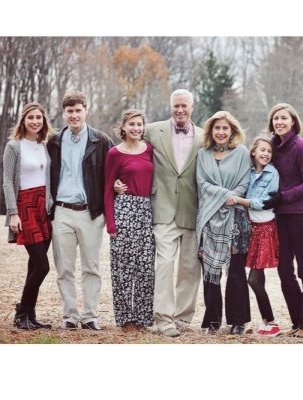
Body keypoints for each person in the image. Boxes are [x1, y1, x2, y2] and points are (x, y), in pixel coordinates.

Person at [115, 89, 203, 337]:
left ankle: (183, 318)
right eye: (176, 106)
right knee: (164, 265)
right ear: (170, 106)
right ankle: (163, 318)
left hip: (192, 210)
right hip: (162, 209)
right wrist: (116, 181)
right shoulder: (152, 130)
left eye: (184, 106)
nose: (180, 110)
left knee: (189, 267)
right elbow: (125, 150)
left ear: (192, 107)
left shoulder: (204, 136)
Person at [47, 91, 113, 330]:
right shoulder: (54, 141)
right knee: (64, 268)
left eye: (78, 110)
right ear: (64, 113)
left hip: (91, 213)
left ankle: (90, 315)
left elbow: (116, 168)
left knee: (91, 267)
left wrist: (116, 188)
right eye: (69, 111)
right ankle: (70, 316)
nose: (74, 115)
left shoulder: (101, 140)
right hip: (62, 211)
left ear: (86, 110)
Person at [263, 103, 303, 339]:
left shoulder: (301, 147)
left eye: (284, 118)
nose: (279, 122)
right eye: (276, 119)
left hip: (300, 215)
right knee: (284, 270)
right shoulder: (272, 146)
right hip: (280, 217)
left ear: (293, 121)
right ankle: (296, 320)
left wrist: (283, 196)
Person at [196, 111, 252, 336]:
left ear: (232, 131)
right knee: (210, 272)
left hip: (235, 218)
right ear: (211, 131)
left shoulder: (241, 153)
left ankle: (238, 321)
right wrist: (224, 195)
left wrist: (232, 197)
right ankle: (212, 321)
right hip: (209, 218)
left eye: (225, 128)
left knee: (236, 273)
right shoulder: (203, 154)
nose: (220, 132)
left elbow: (245, 181)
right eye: (217, 128)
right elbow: (202, 182)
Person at [3, 102, 55, 330]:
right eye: (31, 117)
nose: (35, 121)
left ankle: (30, 316)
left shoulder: (43, 145)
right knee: (42, 266)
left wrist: (50, 205)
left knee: (34, 265)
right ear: (23, 120)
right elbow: (6, 181)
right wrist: (13, 213)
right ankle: (21, 312)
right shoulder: (14, 146)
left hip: (44, 208)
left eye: (39, 118)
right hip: (25, 208)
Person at [104, 110, 155, 332]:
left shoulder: (150, 150)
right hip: (124, 209)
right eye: (132, 124)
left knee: (145, 268)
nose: (136, 128)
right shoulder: (115, 153)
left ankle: (143, 318)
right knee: (122, 269)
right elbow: (107, 188)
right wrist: (111, 223)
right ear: (123, 127)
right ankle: (126, 319)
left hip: (145, 211)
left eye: (140, 124)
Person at [232, 136, 281, 337]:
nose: (266, 154)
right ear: (253, 152)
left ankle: (272, 323)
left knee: (253, 280)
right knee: (257, 280)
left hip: (266, 229)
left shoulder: (272, 173)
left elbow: (262, 202)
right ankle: (267, 322)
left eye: (269, 151)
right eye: (262, 150)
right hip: (252, 228)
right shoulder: (249, 173)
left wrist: (239, 200)